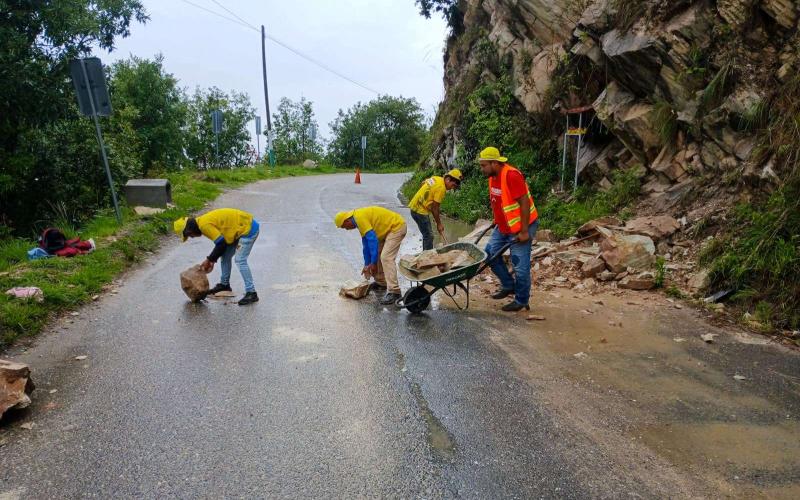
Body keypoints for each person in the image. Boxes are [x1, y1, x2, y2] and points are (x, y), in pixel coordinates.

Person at [479, 147, 540, 312]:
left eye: (484, 165)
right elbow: (499, 200)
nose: (481, 169)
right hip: (503, 226)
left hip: (522, 226)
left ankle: (521, 300)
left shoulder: (511, 175)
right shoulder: (492, 176)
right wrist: (496, 219)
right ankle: (508, 285)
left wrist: (525, 231)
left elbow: (524, 203)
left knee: (520, 266)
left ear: (494, 163)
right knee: (489, 254)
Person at [173, 208, 260, 306]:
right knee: (225, 257)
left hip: (248, 229)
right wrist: (212, 261)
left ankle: (251, 292)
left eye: (189, 235)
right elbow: (221, 244)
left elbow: (221, 244)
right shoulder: (201, 222)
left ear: (190, 229)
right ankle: (224, 285)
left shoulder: (204, 226)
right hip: (237, 229)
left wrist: (209, 260)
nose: (192, 237)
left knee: (240, 260)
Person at [334, 206, 407, 305]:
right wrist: (367, 264)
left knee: (386, 257)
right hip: (387, 231)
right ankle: (381, 283)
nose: (346, 229)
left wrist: (372, 263)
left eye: (344, 226)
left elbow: (372, 240)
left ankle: (395, 292)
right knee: (377, 254)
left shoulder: (359, 218)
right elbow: (366, 245)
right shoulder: (357, 220)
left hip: (397, 227)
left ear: (347, 221)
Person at [408, 169, 463, 250]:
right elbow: (435, 208)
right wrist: (439, 224)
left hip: (414, 207)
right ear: (448, 179)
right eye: (453, 185)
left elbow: (423, 183)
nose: (452, 188)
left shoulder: (436, 178)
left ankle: (425, 254)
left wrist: (426, 200)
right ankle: (427, 258)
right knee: (429, 236)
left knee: (426, 235)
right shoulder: (442, 188)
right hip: (420, 211)